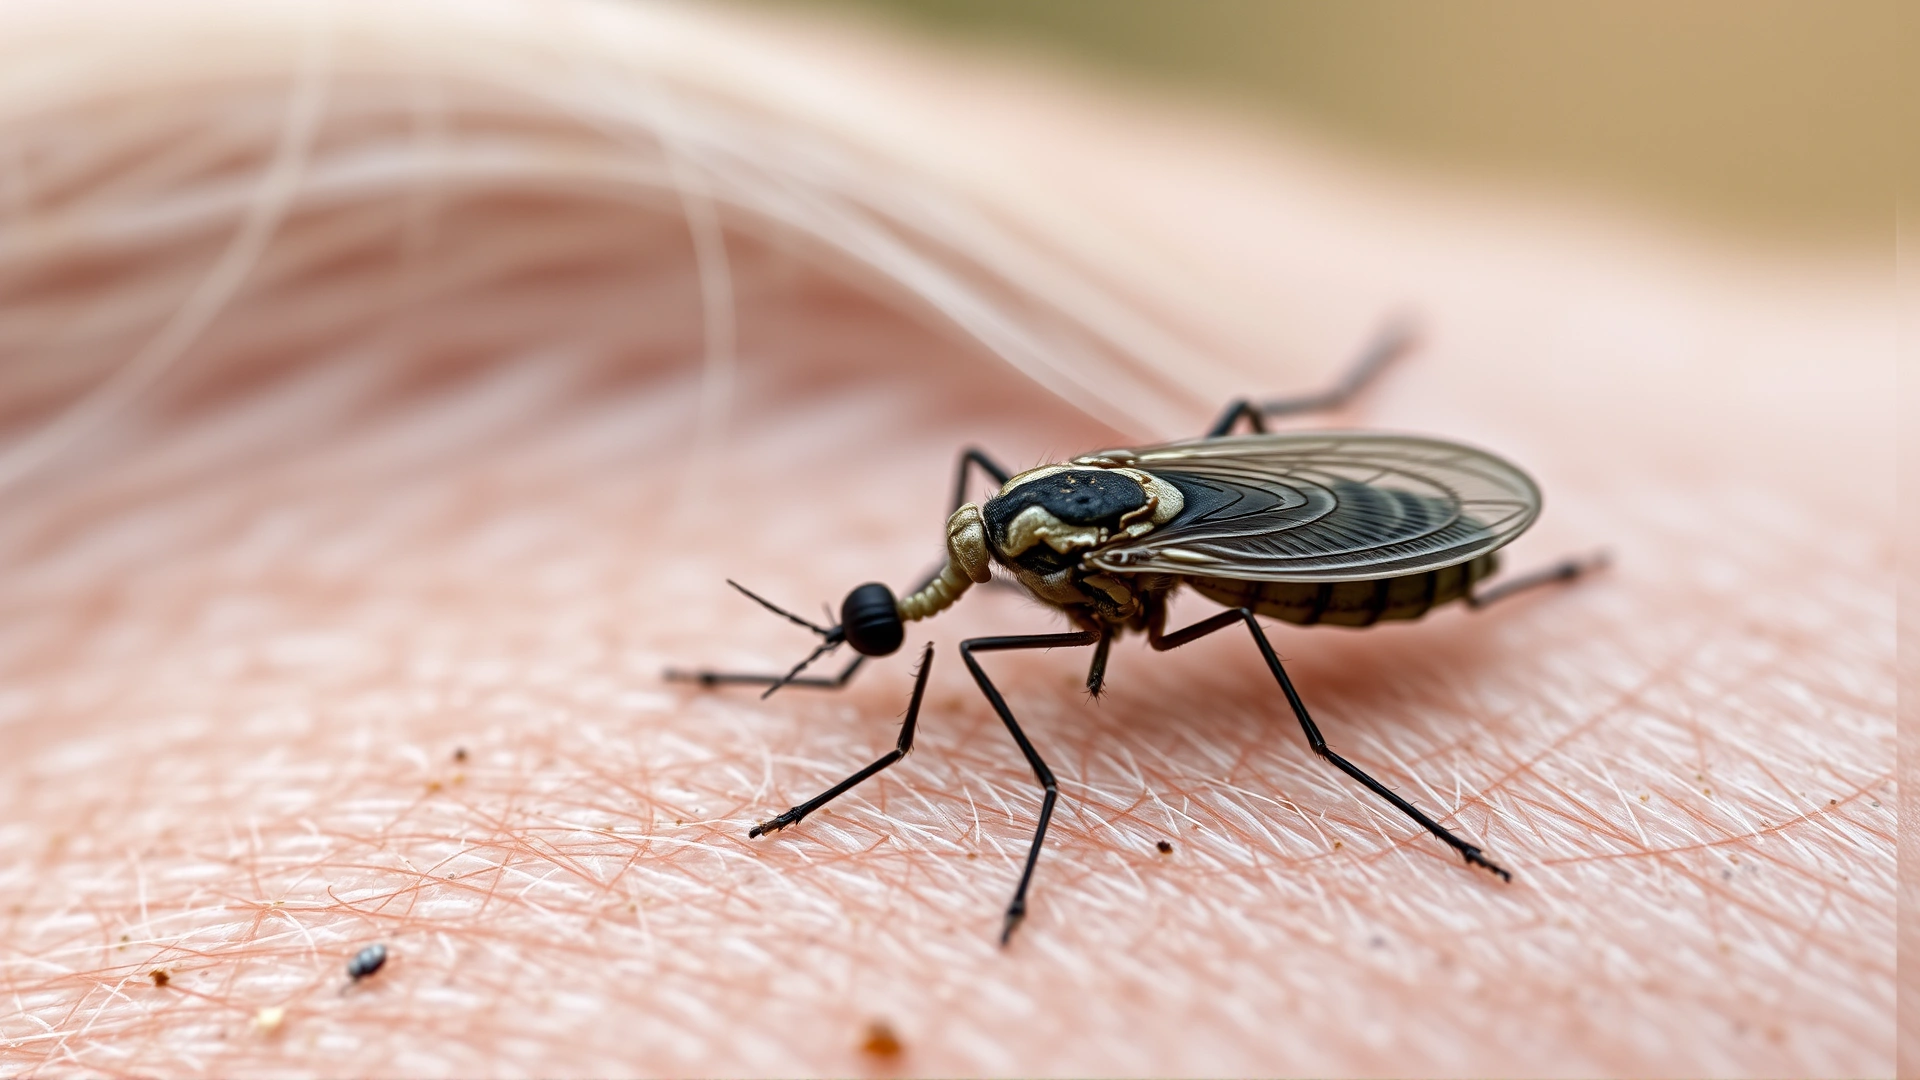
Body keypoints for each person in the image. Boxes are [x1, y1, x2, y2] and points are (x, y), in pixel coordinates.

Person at [0, 1, 1893, 1075]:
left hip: (1291, 549)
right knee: (1150, 565)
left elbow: (1147, 593)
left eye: (870, 624)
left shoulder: (1009, 572)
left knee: (1230, 607)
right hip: (1174, 527)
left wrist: (980, 754)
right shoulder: (978, 547)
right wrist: (836, 664)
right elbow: (967, 586)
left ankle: (1419, 591)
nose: (903, 618)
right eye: (866, 627)